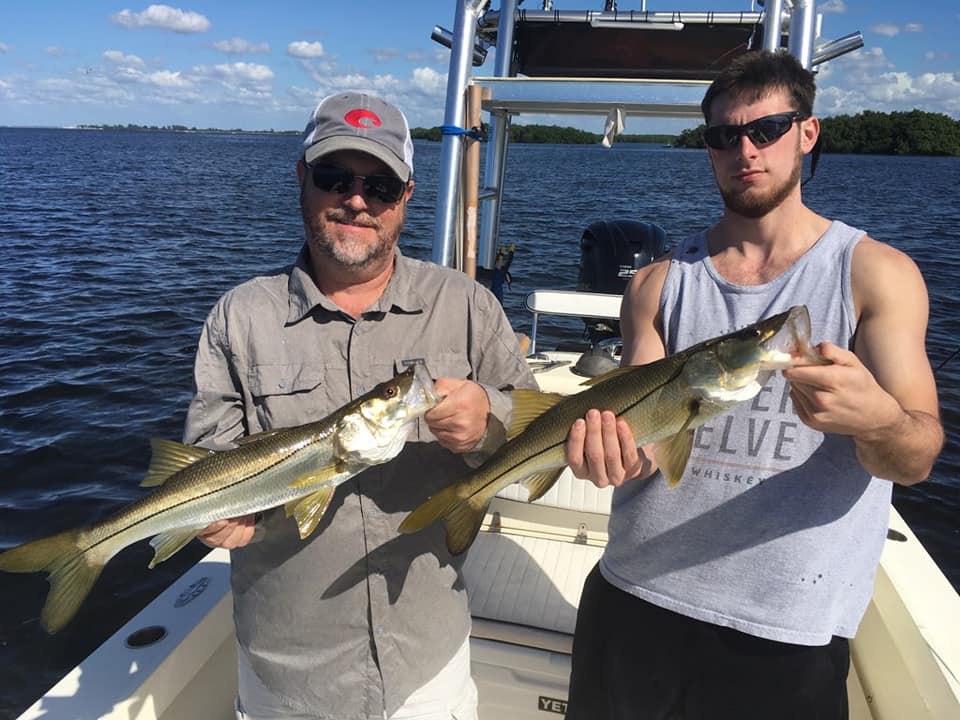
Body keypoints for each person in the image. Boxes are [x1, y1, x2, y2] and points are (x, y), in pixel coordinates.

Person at [563, 50, 944, 720]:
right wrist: (614, 455)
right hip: (631, 603)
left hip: (785, 632)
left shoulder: (876, 275)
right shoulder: (656, 284)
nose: (745, 150)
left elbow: (914, 457)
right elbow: (646, 450)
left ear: (808, 132)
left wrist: (875, 421)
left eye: (766, 130)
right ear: (707, 148)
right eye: (723, 136)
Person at [184, 91, 536, 720]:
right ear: (301, 178)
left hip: (427, 664)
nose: (356, 199)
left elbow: (535, 428)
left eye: (379, 185)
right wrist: (217, 519)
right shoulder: (239, 316)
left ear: (405, 196)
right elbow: (211, 459)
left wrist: (493, 417)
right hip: (286, 671)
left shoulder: (468, 305)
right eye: (334, 177)